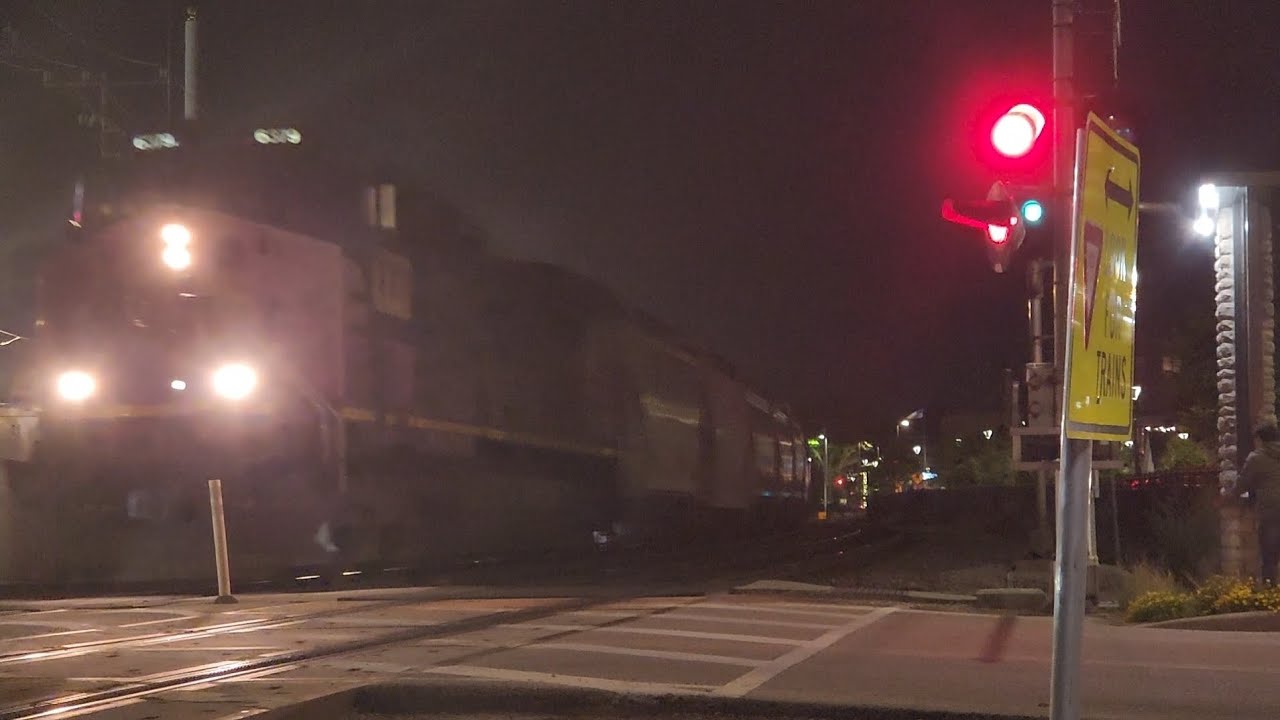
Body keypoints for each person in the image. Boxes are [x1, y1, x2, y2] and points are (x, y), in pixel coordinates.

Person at [1235, 423, 1280, 584]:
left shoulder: (1256, 458)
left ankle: (1271, 594)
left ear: (1260, 439)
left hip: (1270, 512)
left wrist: (1227, 497)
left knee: (1269, 557)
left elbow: (1242, 484)